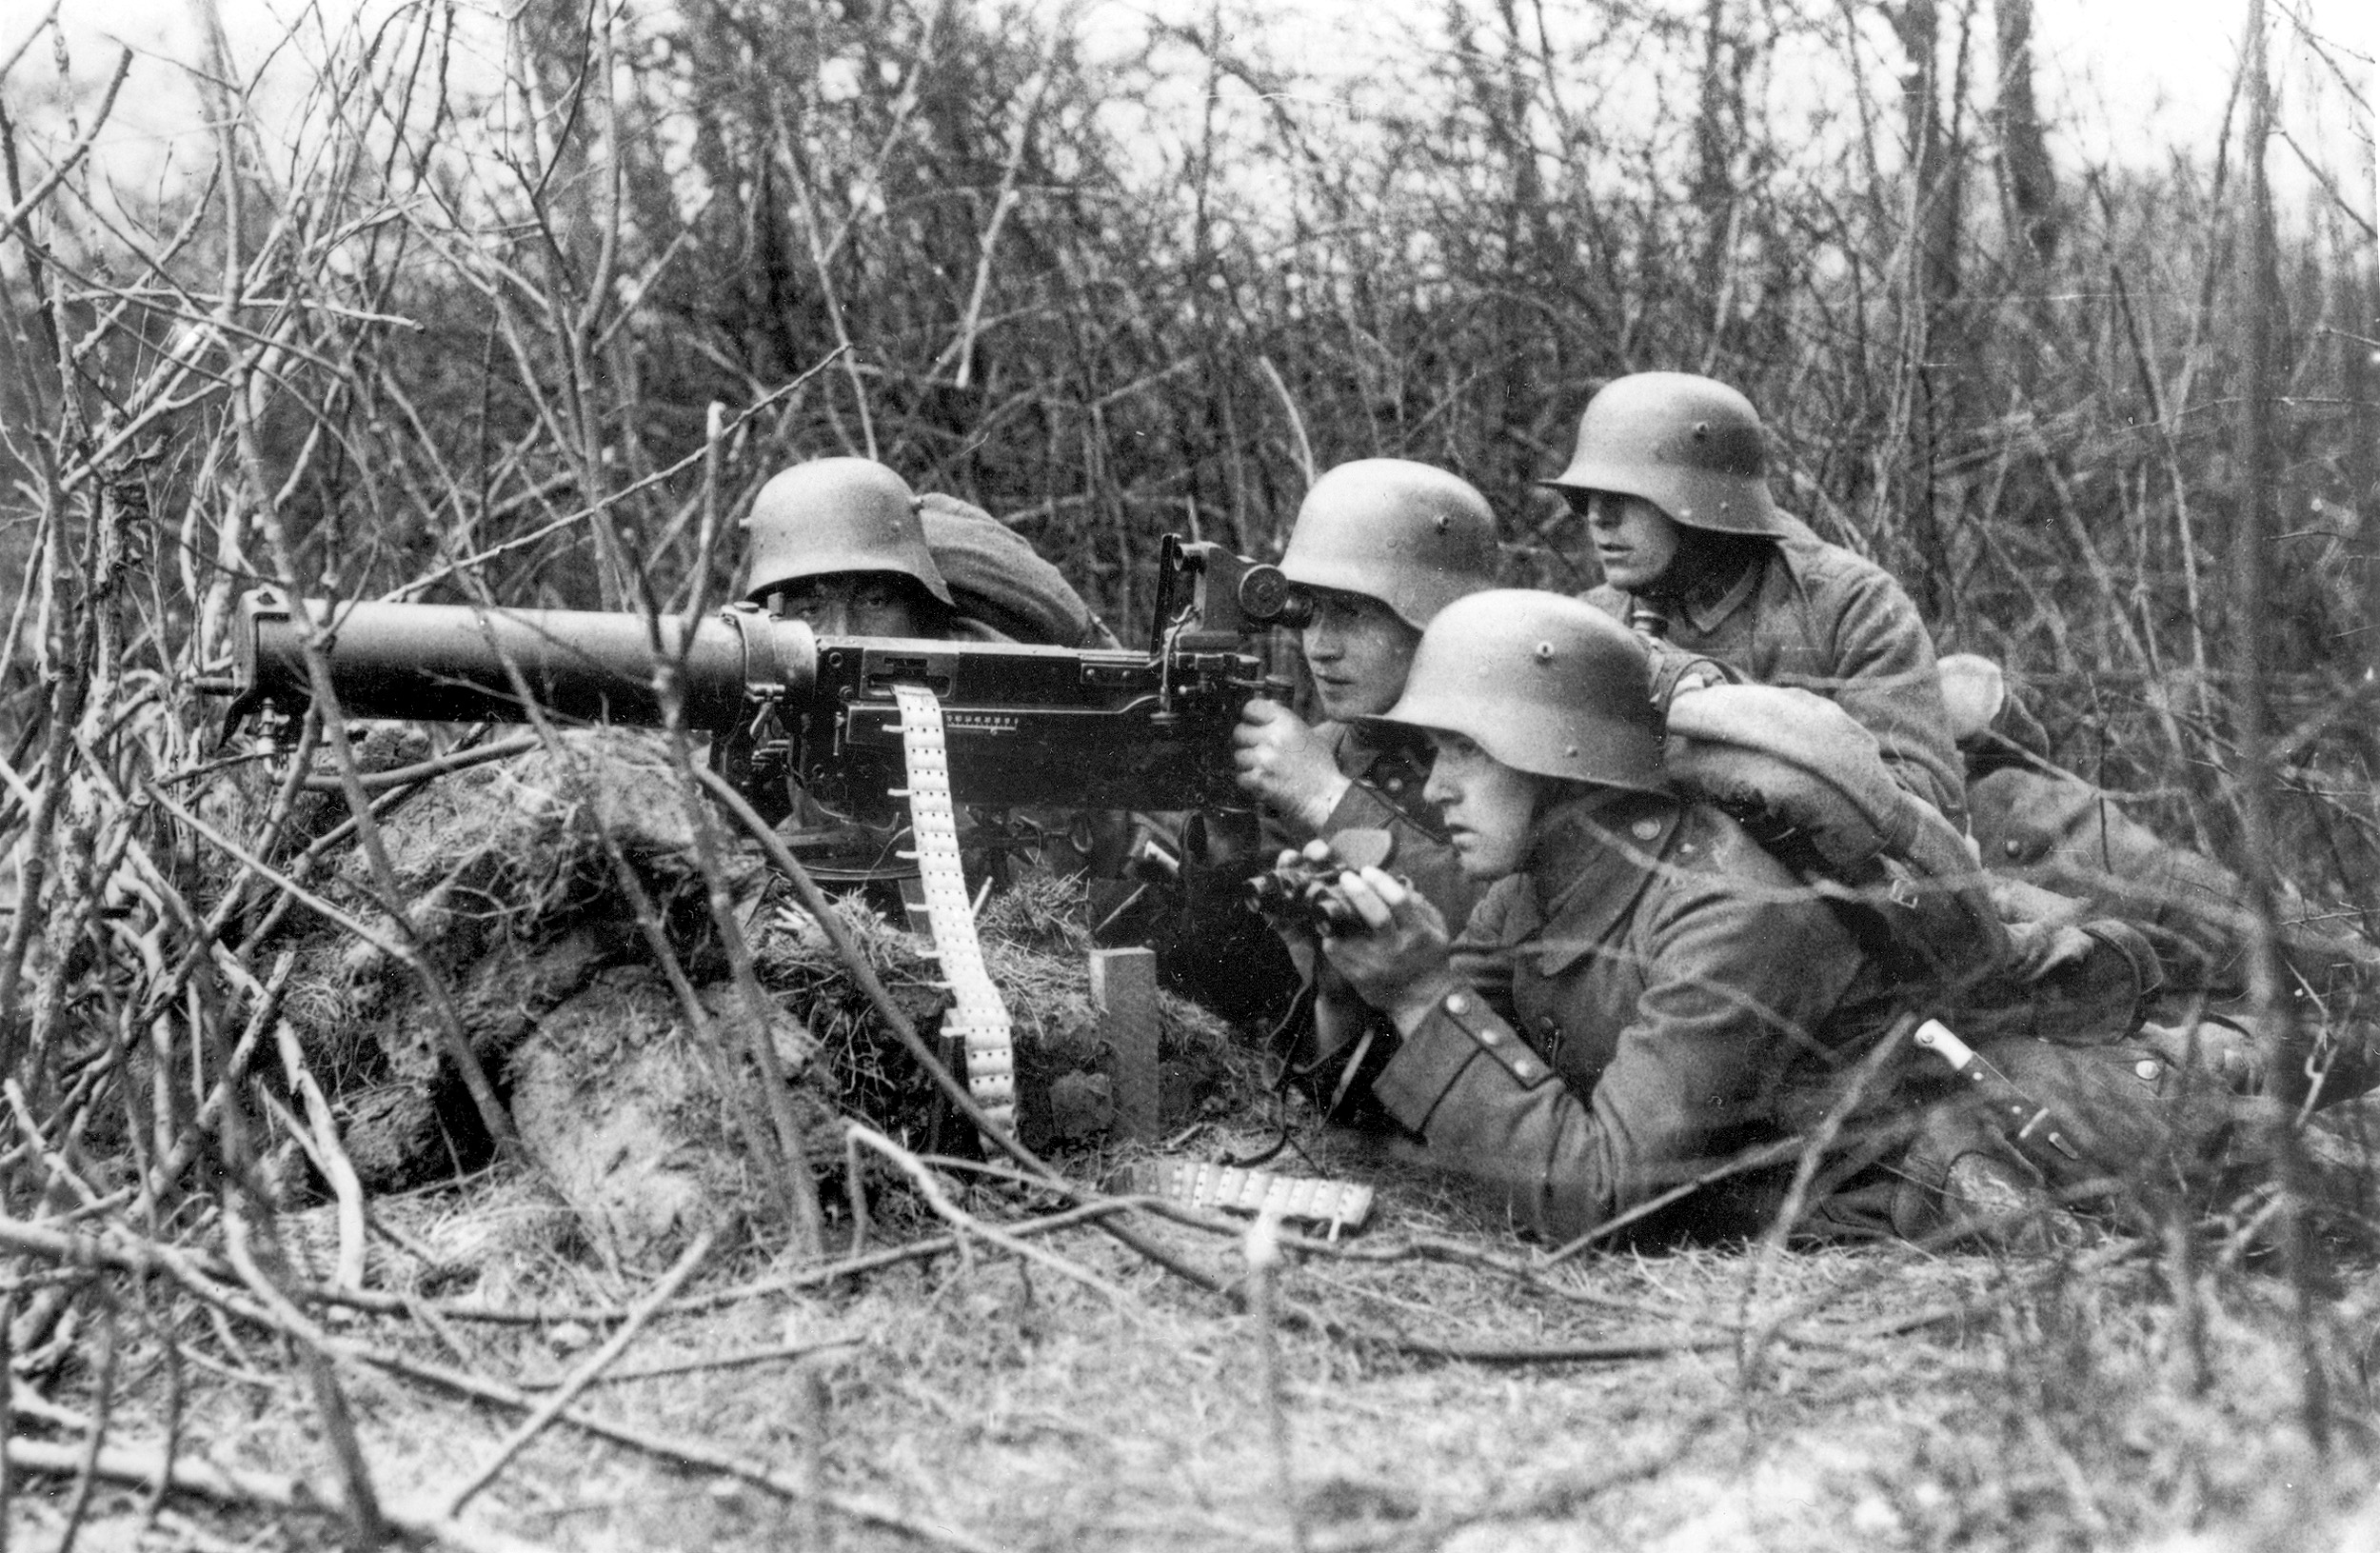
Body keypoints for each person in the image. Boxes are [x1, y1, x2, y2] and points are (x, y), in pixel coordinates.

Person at [1299, 588, 1922, 1243]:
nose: (1435, 787)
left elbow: (1602, 1200)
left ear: (1557, 753)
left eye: (1464, 750)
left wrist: (1422, 992)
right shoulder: (1532, 888)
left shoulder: (1725, 913)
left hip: (1847, 1226)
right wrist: (1350, 988)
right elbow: (1404, 1120)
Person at [1547, 372, 1967, 825]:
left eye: (1626, 495)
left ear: (1705, 502)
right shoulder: (1593, 623)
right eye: (1588, 494)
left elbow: (1921, 812)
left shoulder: (1853, 608)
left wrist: (1705, 698)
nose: (1599, 516)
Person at [737, 456, 1126, 898]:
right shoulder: (778, 688)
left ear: (920, 606)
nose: (842, 634)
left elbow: (1049, 885)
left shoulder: (997, 681)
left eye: (875, 601)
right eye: (812, 609)